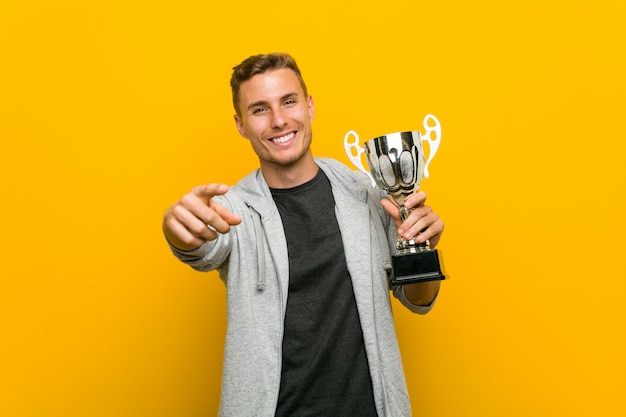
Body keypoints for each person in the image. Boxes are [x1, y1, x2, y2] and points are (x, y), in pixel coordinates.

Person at [162, 52, 444, 417]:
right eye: (260, 109)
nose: (279, 120)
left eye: (289, 101)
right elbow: (202, 247)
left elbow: (417, 298)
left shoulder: (366, 193)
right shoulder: (232, 209)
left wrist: (420, 247)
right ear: (241, 124)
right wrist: (176, 227)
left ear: (309, 106)